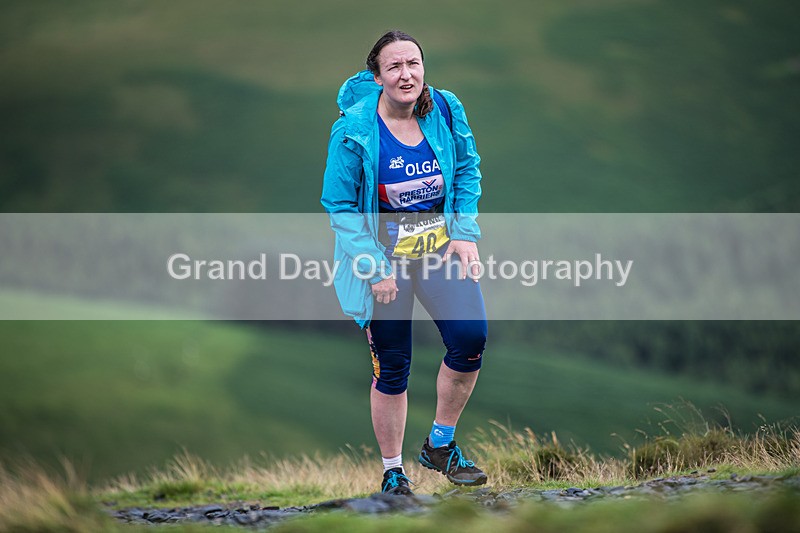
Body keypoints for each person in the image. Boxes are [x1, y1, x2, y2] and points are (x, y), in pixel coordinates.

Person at [321, 30, 488, 495]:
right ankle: (393, 472)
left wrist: (464, 232)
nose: (406, 74)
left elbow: (467, 168)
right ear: (377, 76)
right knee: (392, 366)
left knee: (470, 339)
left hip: (438, 250)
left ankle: (440, 445)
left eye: (413, 63)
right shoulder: (354, 130)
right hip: (384, 262)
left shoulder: (444, 108)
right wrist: (373, 267)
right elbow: (340, 205)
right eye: (394, 66)